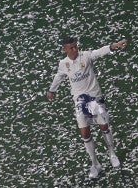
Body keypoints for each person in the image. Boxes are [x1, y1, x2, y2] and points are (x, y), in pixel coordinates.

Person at [47, 37, 127, 179]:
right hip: (80, 102)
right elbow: (58, 77)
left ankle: (112, 153)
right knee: (85, 133)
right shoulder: (63, 64)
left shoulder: (86, 56)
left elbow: (99, 52)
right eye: (71, 48)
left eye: (75, 46)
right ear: (64, 50)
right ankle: (95, 164)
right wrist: (52, 90)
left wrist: (114, 45)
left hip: (95, 98)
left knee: (104, 127)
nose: (75, 49)